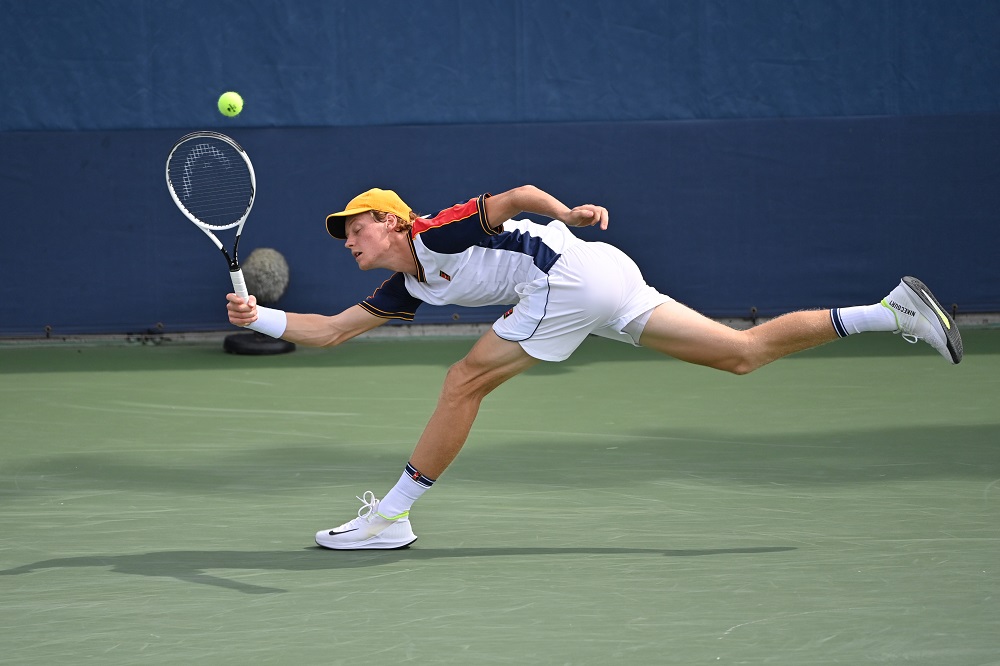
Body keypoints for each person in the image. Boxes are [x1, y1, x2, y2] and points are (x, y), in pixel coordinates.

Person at [226, 185, 963, 550]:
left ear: (392, 221)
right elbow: (328, 332)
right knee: (740, 355)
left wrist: (567, 213)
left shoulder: (437, 230)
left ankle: (390, 517)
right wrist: (259, 318)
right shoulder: (408, 283)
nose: (349, 240)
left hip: (570, 275)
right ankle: (893, 311)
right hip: (602, 277)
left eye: (356, 228)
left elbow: (513, 198)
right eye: (344, 235)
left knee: (462, 382)